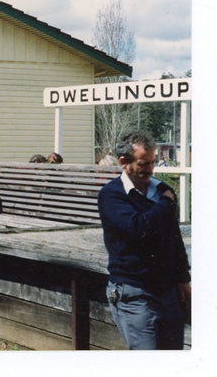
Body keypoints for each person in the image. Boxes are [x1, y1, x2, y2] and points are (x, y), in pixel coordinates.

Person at [97, 130, 190, 350]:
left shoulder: (160, 190)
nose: (150, 169)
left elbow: (173, 237)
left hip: (167, 291)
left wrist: (183, 278)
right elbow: (139, 228)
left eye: (152, 162)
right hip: (134, 293)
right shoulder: (112, 195)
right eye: (143, 163)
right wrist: (166, 204)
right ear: (123, 162)